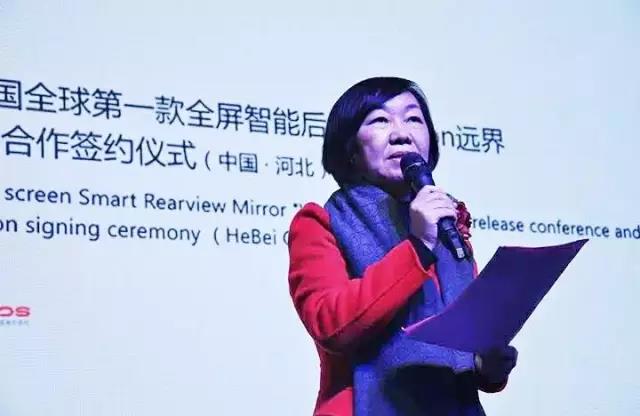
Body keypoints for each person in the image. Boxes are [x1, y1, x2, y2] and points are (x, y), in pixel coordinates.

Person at [287, 76, 518, 416]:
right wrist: (417, 247)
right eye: (380, 120)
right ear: (350, 149)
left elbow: (462, 344)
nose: (401, 133)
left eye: (413, 119)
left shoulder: (446, 222)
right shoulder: (321, 222)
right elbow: (330, 324)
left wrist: (486, 366)